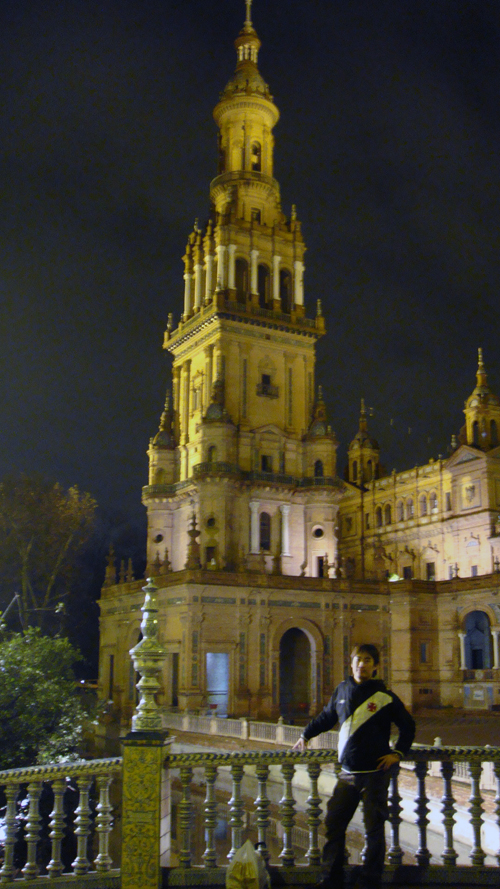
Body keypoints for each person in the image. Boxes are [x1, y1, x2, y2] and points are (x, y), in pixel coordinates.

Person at [292, 643, 415, 889]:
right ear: (351, 663)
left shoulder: (385, 695)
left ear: (376, 666)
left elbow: (408, 726)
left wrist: (397, 753)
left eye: (368, 660)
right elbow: (326, 718)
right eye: (359, 659)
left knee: (373, 832)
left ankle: (370, 881)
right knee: (334, 826)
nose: (362, 664)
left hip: (375, 775)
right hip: (347, 774)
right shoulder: (341, 690)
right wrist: (305, 735)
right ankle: (331, 878)